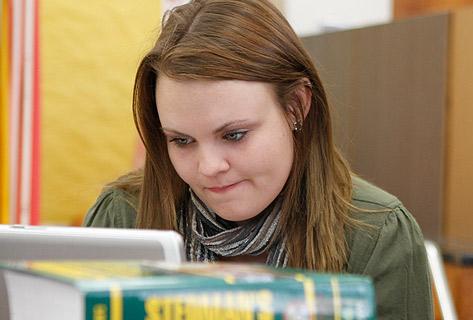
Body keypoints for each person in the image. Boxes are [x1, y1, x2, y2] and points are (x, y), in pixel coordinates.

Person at [82, 0, 433, 318]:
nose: (208, 167)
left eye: (234, 135)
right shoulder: (122, 215)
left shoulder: (377, 234)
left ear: (296, 106)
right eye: (182, 140)